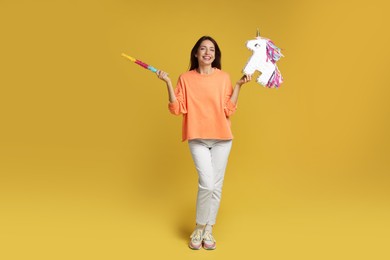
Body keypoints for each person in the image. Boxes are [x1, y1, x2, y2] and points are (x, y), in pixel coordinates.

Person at [157, 36, 251, 250]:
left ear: (215, 55)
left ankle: (208, 230)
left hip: (222, 139)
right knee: (207, 183)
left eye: (212, 50)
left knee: (215, 187)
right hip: (198, 138)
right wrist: (169, 83)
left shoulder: (224, 78)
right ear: (196, 54)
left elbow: (229, 109)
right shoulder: (185, 78)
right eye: (203, 49)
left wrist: (238, 85)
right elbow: (177, 109)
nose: (207, 52)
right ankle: (199, 226)